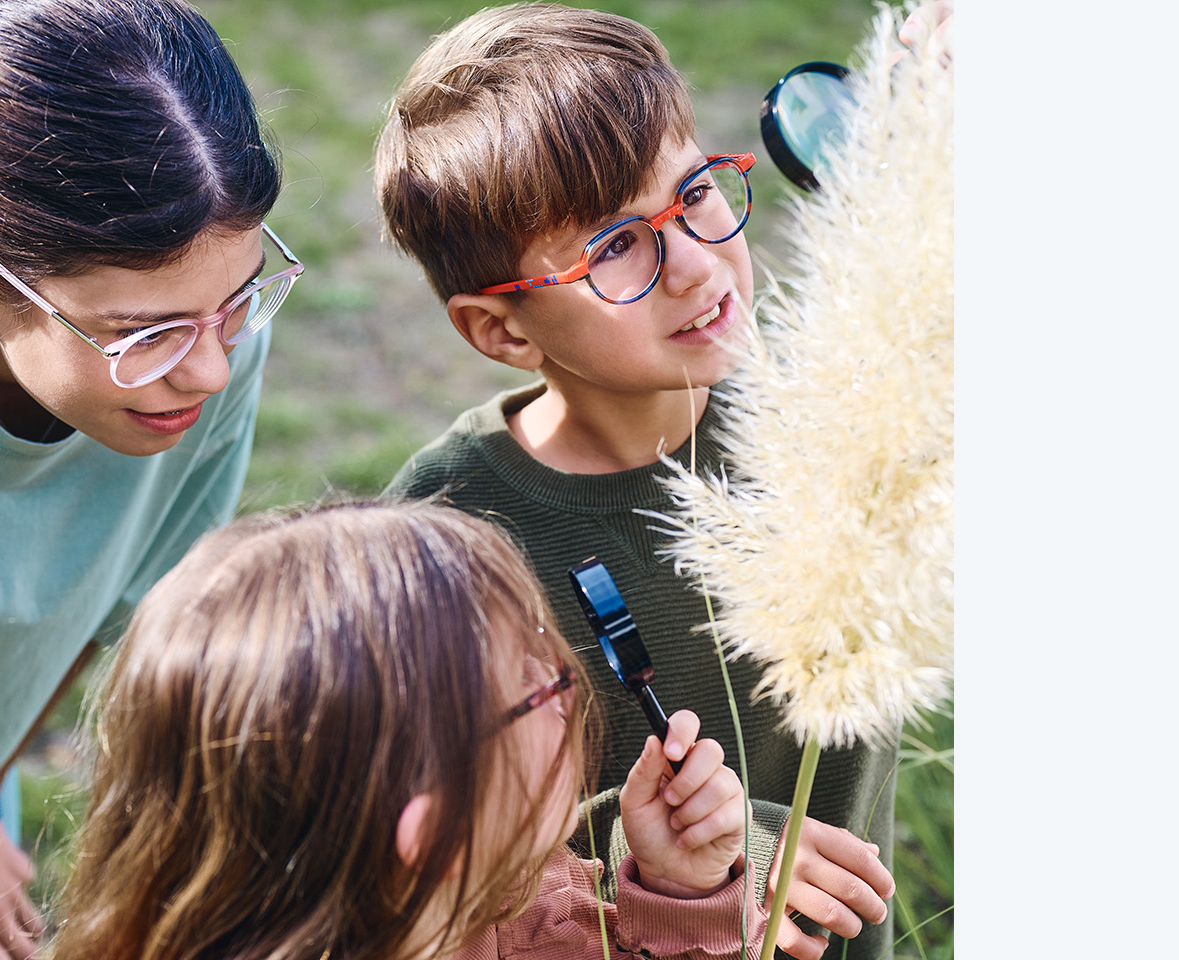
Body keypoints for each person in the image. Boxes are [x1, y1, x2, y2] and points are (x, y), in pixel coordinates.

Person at [373, 6, 894, 958]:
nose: (695, 265)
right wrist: (690, 854)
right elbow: (439, 865)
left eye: (694, 191)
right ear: (502, 331)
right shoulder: (446, 535)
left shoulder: (839, 410)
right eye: (614, 246)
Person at [49, 500, 767, 960]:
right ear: (438, 839)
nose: (569, 679)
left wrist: (681, 894)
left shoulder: (516, 899)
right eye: (534, 686)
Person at [0, 1, 301, 956]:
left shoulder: (205, 359)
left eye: (238, 299)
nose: (209, 368)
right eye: (145, 332)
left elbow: (110, 606)